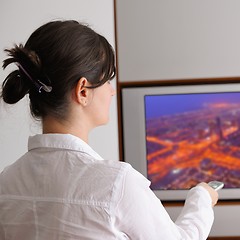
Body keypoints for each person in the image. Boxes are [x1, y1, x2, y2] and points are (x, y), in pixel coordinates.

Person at [0, 20, 219, 240]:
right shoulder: (116, 184)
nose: (111, 91)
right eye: (107, 80)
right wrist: (201, 198)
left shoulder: (6, 183)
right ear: (83, 91)